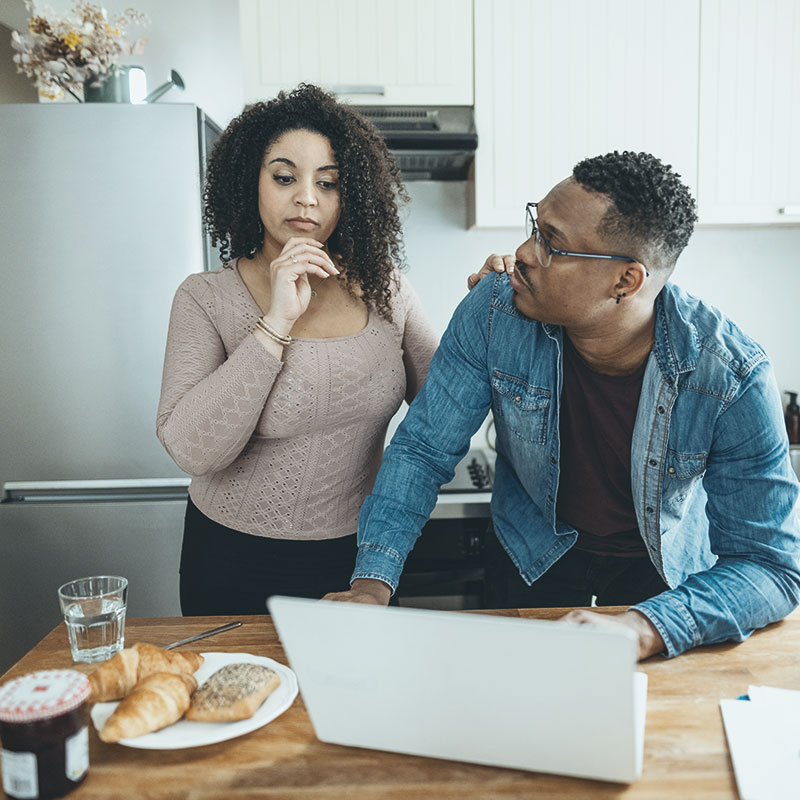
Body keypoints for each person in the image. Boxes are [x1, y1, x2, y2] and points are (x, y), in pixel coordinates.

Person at [324, 151, 800, 660]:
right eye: (536, 227)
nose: (524, 253)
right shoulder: (494, 311)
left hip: (664, 578)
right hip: (531, 553)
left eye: (553, 244)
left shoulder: (730, 375)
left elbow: (769, 567)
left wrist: (644, 626)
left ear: (626, 281)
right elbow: (422, 450)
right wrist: (372, 582)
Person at [156, 84, 438, 615]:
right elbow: (191, 451)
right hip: (231, 559)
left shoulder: (388, 290)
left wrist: (500, 304)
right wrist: (276, 323)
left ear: (349, 196)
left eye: (328, 183)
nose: (306, 197)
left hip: (363, 563)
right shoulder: (205, 297)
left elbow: (448, 405)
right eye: (285, 177)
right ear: (251, 182)